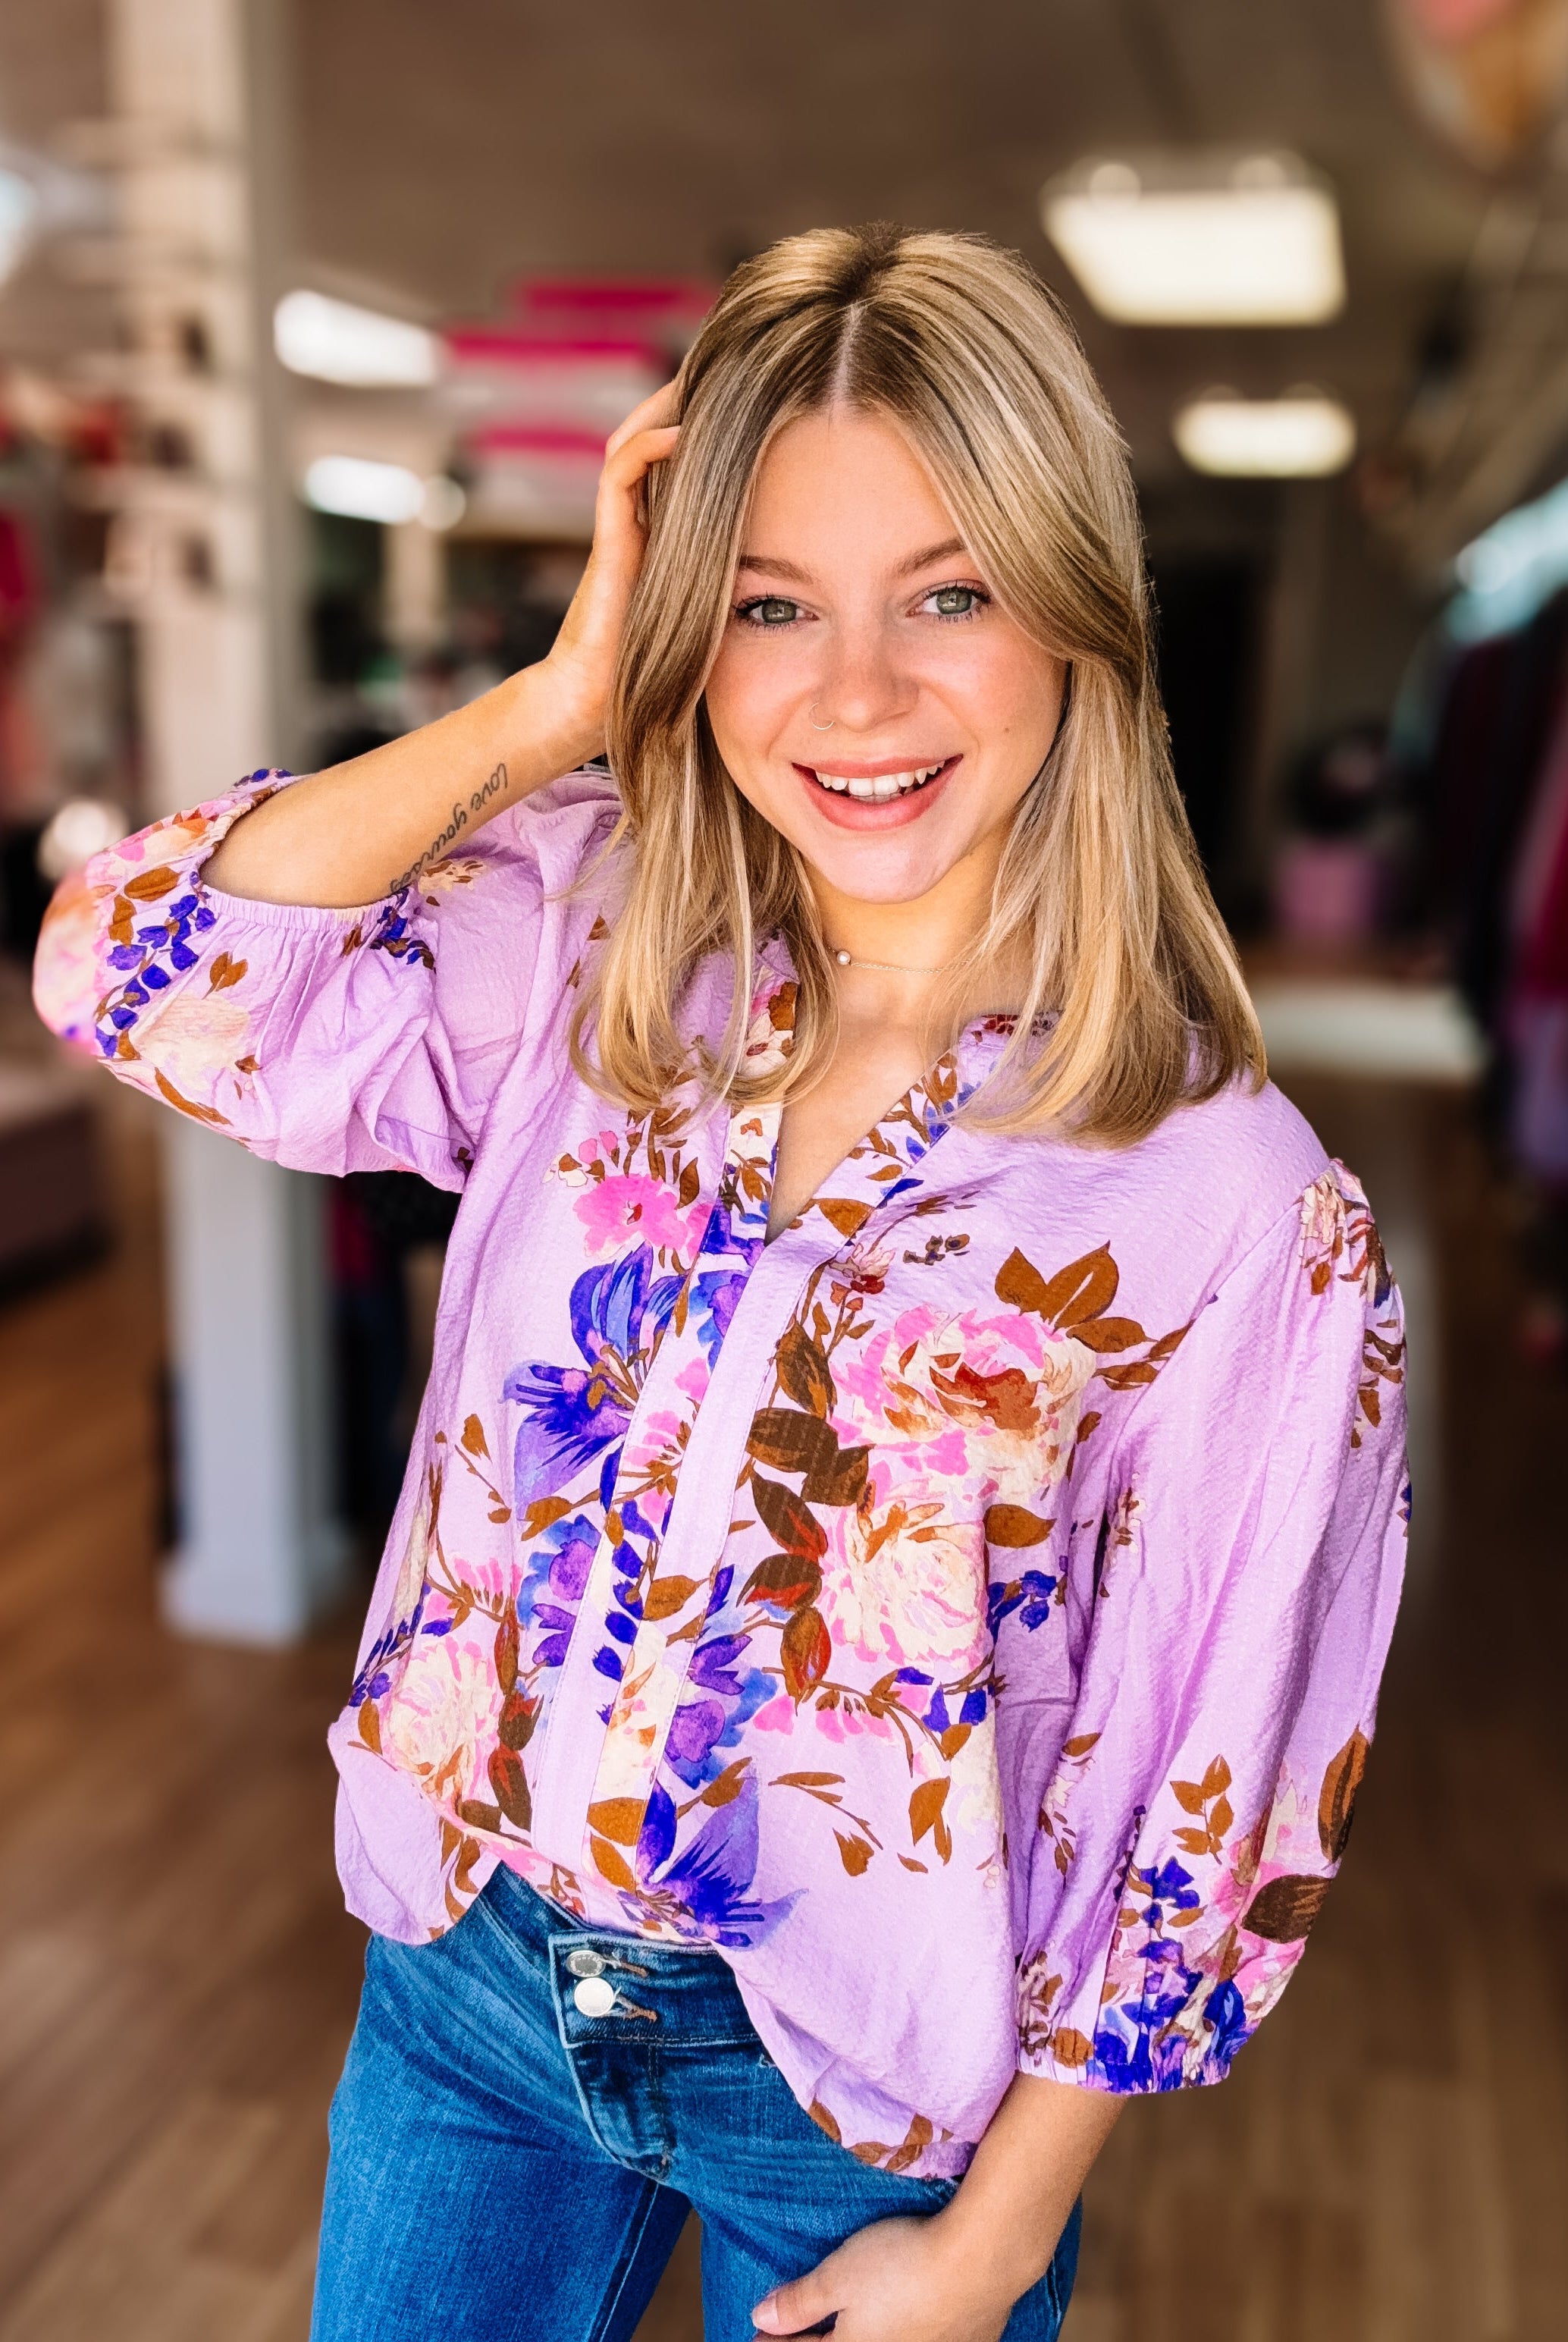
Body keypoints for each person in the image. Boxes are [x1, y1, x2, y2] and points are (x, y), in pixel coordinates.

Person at [33, 225, 1409, 2342]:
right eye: (768, 606)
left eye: (946, 592)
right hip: (470, 1999)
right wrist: (565, 696)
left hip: (850, 2100)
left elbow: (1209, 1781)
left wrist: (996, 2242)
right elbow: (133, 969)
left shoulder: (1229, 1204)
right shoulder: (590, 938)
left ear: (1075, 619)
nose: (853, 696)